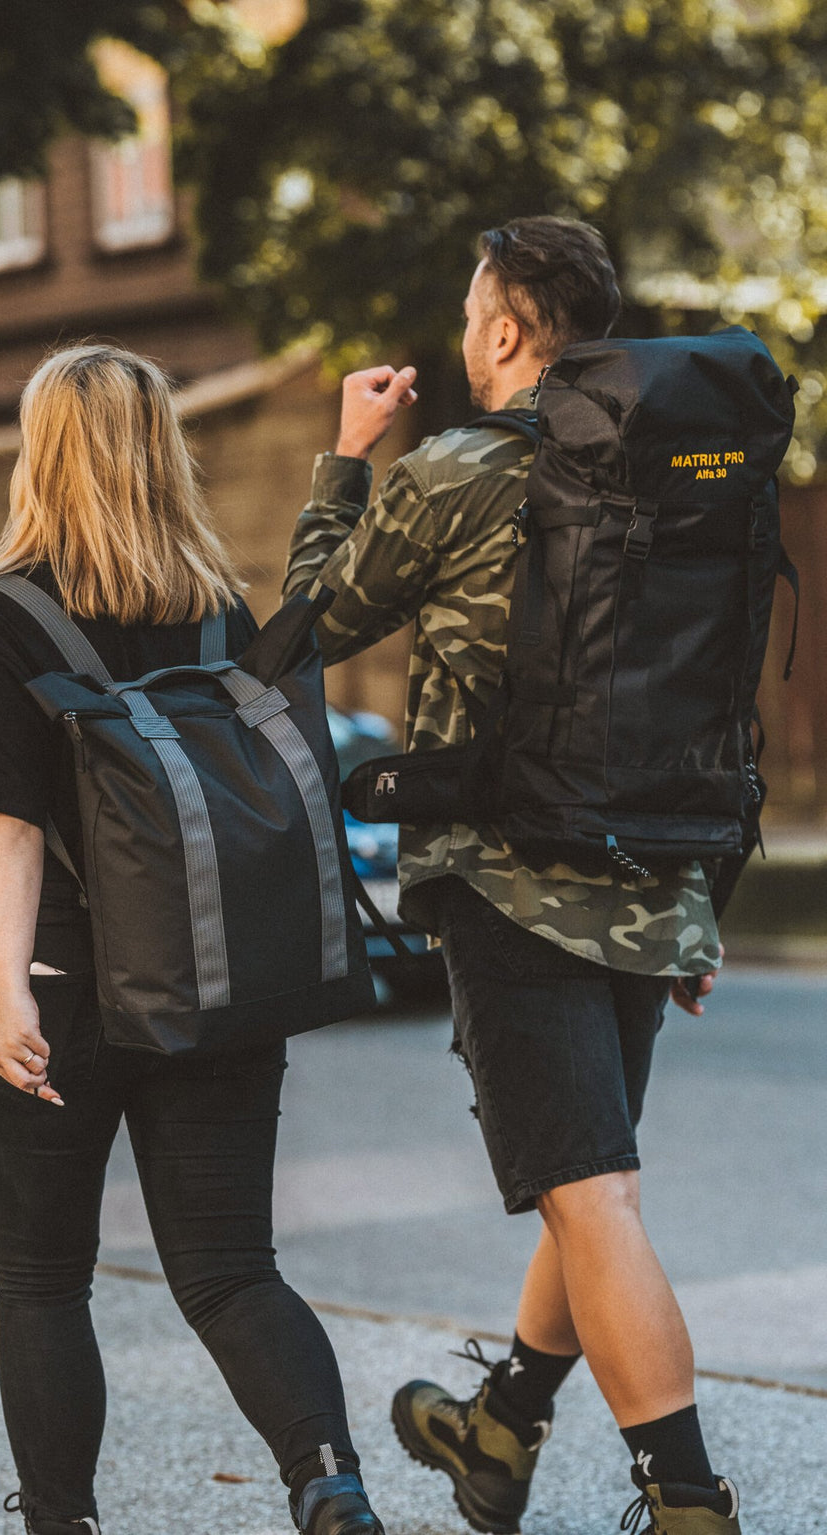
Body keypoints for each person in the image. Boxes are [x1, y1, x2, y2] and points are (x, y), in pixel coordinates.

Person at [283, 217, 744, 1534]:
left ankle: (690, 1499)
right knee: (584, 1180)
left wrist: (347, 459)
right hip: (654, 865)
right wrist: (698, 890)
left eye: (473, 310)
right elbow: (699, 687)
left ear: (501, 329)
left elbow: (307, 625)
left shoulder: (458, 470)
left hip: (507, 877)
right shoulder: (679, 466)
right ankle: (504, 1426)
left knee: (590, 1194)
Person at [0, 343, 385, 1535]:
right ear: (160, 449)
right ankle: (329, 1480)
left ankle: (61, 1518)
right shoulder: (214, 605)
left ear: (44, 450)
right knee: (234, 1267)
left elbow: (7, 822)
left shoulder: (0, 612)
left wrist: (10, 990)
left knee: (42, 1274)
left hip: (68, 978)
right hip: (211, 973)